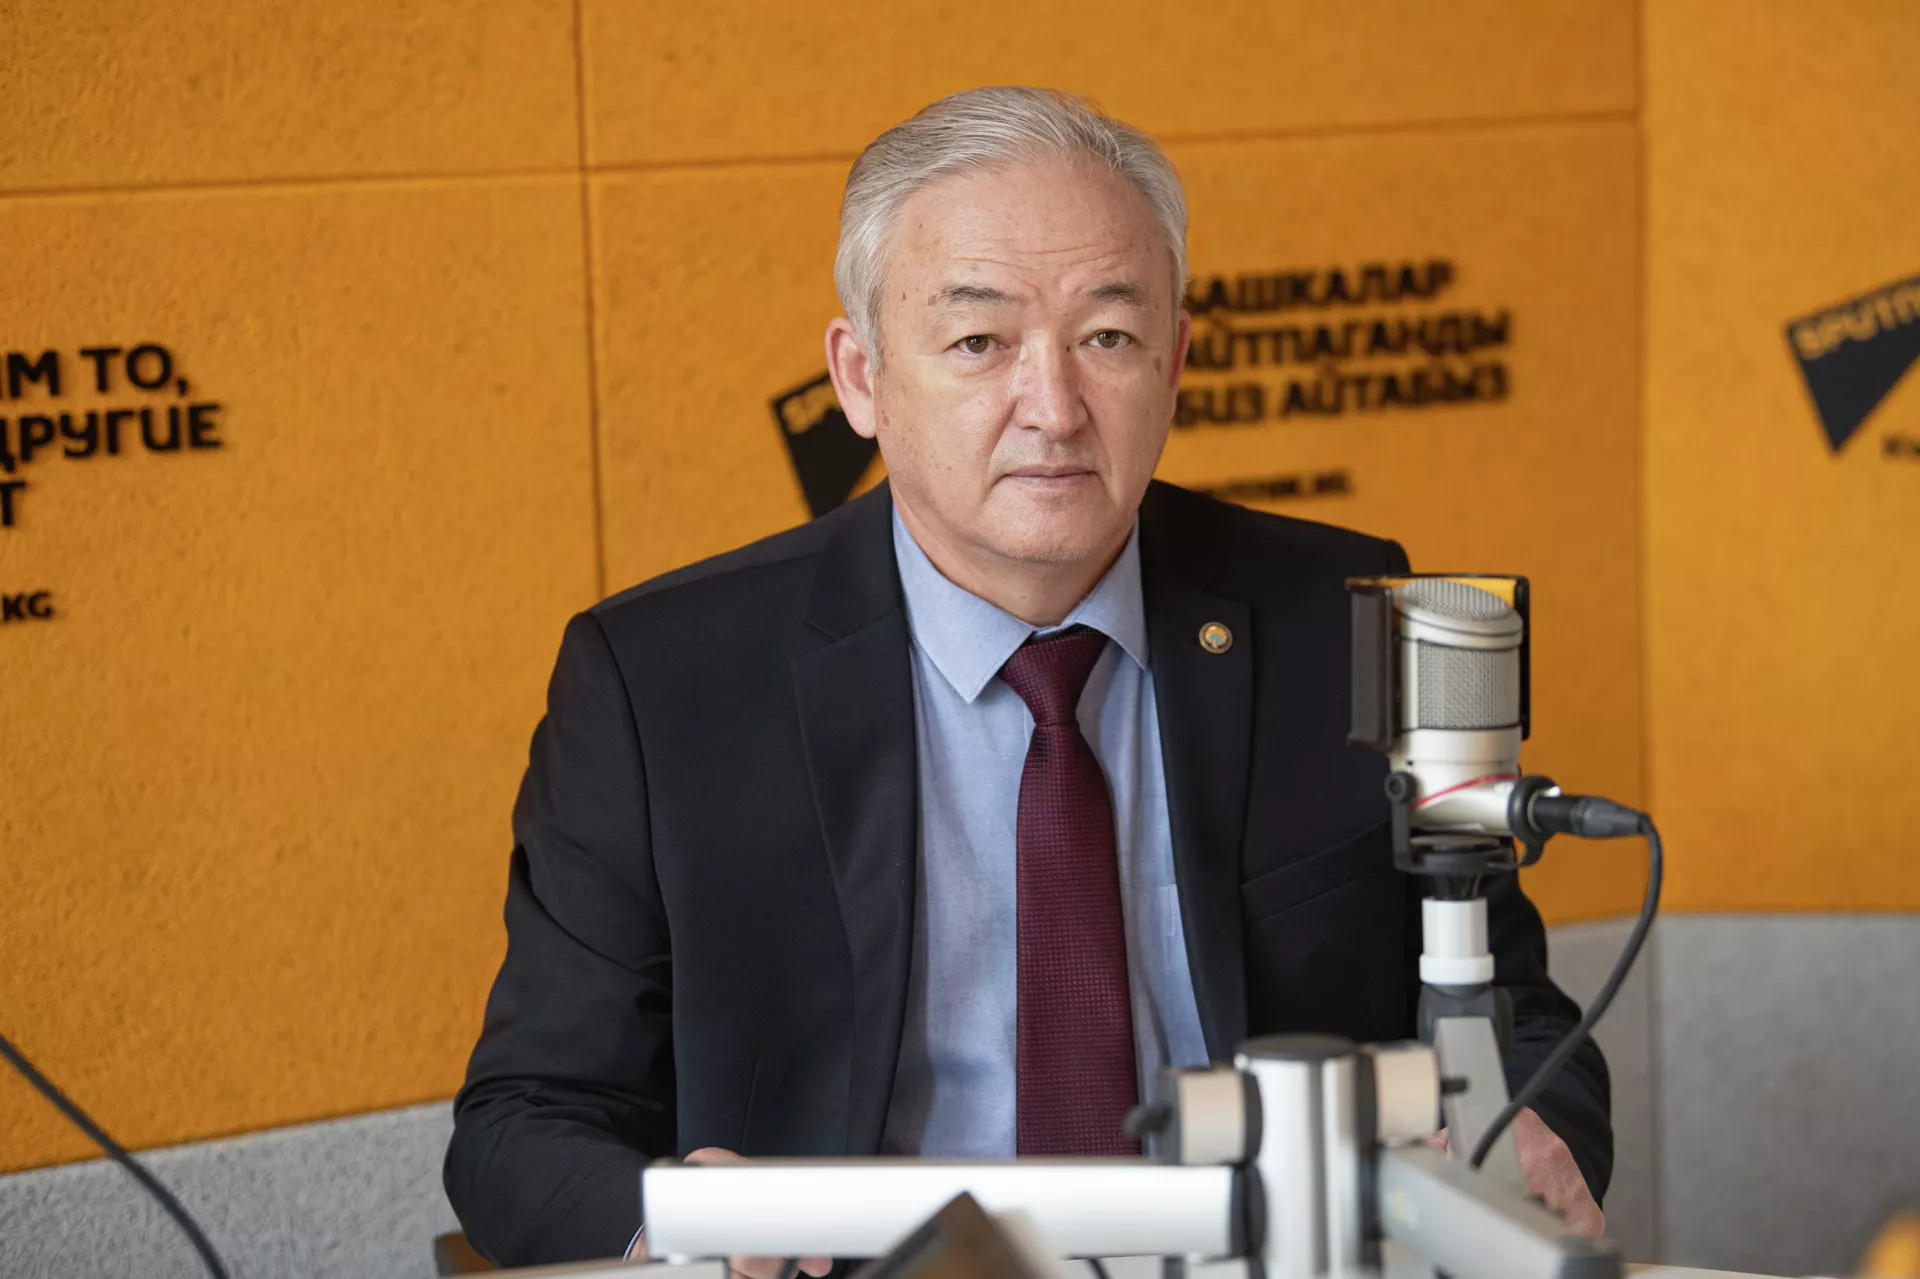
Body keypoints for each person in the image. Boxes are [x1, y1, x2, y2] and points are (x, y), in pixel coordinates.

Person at [444, 86, 1611, 1269]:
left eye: (1108, 339)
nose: (1053, 409)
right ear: (861, 378)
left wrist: (1531, 1131)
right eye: (979, 343)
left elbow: (1511, 1015)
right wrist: (681, 1231)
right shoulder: (662, 685)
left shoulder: (1340, 616)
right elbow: (525, 1121)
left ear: (1176, 361)